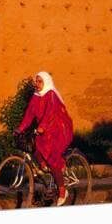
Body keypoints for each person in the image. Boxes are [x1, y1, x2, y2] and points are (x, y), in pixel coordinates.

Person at [14, 71, 74, 207]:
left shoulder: (51, 94)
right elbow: (29, 114)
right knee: (34, 145)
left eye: (40, 81)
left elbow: (51, 113)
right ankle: (47, 167)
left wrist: (42, 127)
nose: (37, 84)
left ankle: (63, 191)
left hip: (60, 129)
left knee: (52, 158)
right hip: (46, 130)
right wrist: (21, 128)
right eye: (36, 81)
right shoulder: (36, 96)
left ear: (46, 82)